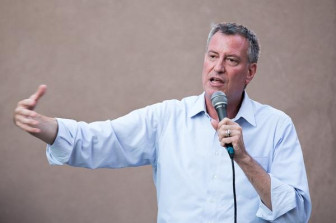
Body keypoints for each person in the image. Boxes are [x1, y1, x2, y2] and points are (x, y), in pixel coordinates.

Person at [14, 22, 311, 222]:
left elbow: (297, 213)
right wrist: (45, 127)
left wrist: (245, 160)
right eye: (212, 56)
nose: (218, 67)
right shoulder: (166, 119)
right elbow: (100, 140)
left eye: (231, 60)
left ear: (250, 72)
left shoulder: (276, 126)